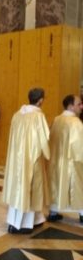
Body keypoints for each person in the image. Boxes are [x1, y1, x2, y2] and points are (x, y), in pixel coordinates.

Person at [2, 88, 50, 234]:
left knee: (20, 188)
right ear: (40, 100)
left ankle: (35, 219)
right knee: (29, 189)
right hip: (31, 158)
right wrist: (49, 154)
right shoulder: (38, 116)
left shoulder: (17, 114)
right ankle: (20, 224)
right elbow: (44, 138)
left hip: (17, 159)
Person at [48, 95, 83, 223]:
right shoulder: (76, 123)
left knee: (56, 184)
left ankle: (53, 211)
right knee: (77, 185)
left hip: (55, 162)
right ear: (70, 105)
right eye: (79, 104)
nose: (81, 106)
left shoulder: (56, 120)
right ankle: (81, 212)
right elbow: (79, 147)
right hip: (71, 163)